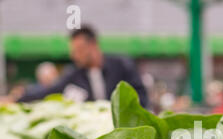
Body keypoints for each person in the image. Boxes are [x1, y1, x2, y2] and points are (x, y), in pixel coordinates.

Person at [15, 25, 149, 107]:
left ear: (93, 45)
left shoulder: (122, 65)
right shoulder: (75, 74)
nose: (74, 56)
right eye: (73, 51)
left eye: (79, 50)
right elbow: (49, 92)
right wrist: (17, 99)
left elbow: (141, 97)